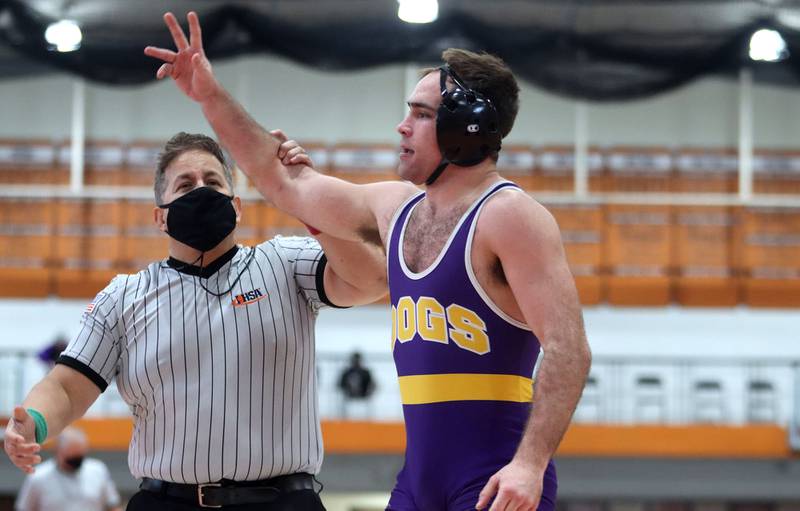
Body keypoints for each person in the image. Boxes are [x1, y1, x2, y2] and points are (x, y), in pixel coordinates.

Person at [145, 12, 592, 511]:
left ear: (468, 125)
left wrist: (529, 464)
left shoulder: (510, 216)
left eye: (421, 114)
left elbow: (569, 349)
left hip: (493, 478)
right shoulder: (395, 208)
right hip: (419, 480)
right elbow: (284, 181)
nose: (403, 126)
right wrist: (209, 95)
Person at [3, 132, 387, 511]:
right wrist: (32, 422)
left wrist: (310, 196)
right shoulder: (122, 297)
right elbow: (67, 389)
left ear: (237, 206)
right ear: (160, 217)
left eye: (213, 181)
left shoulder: (285, 262)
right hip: (166, 501)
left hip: (282, 500)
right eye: (185, 184)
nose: (201, 190)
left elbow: (371, 279)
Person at [15, 427, 122, 511]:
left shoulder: (98, 470)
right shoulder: (38, 476)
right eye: (71, 459)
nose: (75, 462)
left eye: (79, 458)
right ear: (57, 451)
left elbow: (113, 505)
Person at [337, 352, 375, 418]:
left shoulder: (366, 372)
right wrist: (346, 390)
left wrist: (369, 391)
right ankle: (344, 418)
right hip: (349, 394)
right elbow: (340, 384)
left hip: (364, 394)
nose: (356, 362)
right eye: (355, 360)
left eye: (357, 360)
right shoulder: (346, 372)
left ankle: (368, 419)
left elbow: (372, 384)